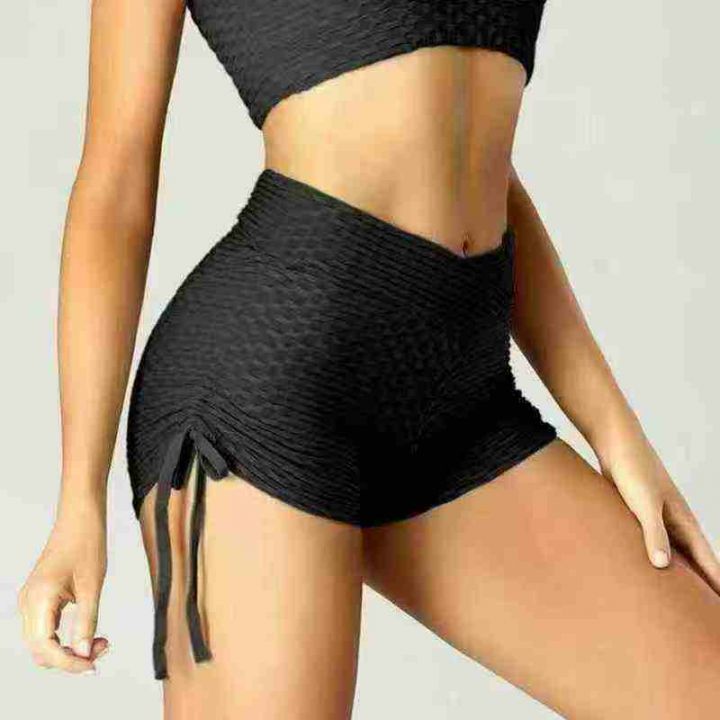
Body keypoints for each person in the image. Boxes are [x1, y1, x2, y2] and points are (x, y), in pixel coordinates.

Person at [18, 1, 720, 717]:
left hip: (460, 395)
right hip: (264, 398)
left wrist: (616, 433)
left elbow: (471, 155)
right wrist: (79, 499)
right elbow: (114, 187)